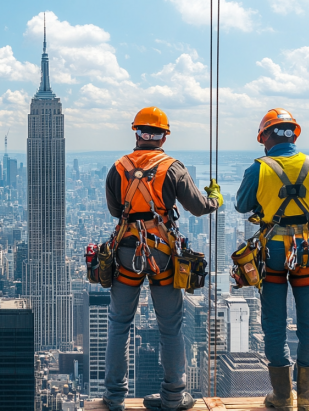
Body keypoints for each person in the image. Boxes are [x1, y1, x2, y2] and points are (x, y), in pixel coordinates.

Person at [103, 106, 221, 411]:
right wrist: (215, 198)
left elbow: (117, 212)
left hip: (127, 250)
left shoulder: (118, 167)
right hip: (164, 253)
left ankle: (114, 398)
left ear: (137, 133)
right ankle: (173, 398)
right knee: (170, 326)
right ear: (164, 136)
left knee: (119, 324)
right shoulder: (173, 167)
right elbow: (198, 207)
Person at [235, 109, 309, 411]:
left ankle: (282, 397)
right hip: (308, 249)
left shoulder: (258, 168)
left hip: (273, 251)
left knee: (274, 323)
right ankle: (308, 396)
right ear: (293, 134)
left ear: (265, 136)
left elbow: (241, 205)